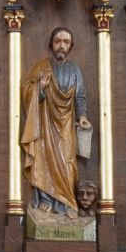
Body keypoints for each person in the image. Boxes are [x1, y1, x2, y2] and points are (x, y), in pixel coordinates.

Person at [20, 21, 91, 239]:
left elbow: (80, 96)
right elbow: (26, 90)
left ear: (71, 46)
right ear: (51, 44)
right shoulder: (41, 67)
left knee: (68, 163)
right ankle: (47, 200)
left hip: (66, 125)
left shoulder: (75, 70)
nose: (61, 45)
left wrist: (82, 116)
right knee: (45, 160)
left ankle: (67, 203)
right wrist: (40, 87)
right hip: (44, 124)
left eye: (66, 42)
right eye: (58, 41)